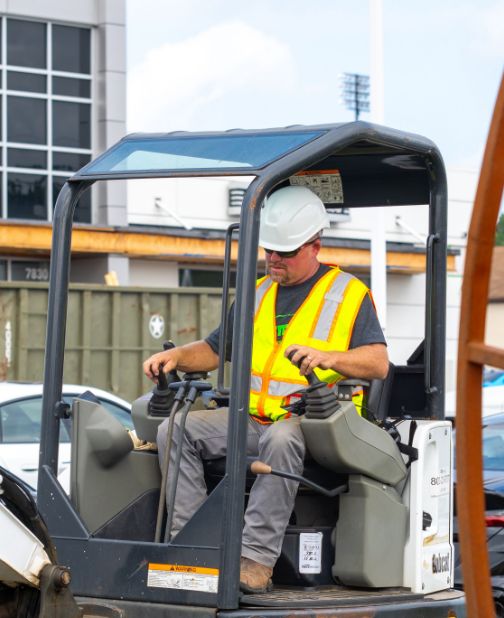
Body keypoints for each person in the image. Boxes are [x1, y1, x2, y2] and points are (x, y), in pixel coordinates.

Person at [143, 185, 389, 594]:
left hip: (318, 427)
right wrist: (176, 357)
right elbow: (215, 349)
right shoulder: (257, 294)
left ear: (314, 245)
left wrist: (330, 358)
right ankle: (194, 547)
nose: (274, 259)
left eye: (285, 252)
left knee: (282, 438)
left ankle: (254, 561)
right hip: (254, 419)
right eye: (269, 250)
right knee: (176, 429)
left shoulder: (348, 294)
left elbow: (378, 362)